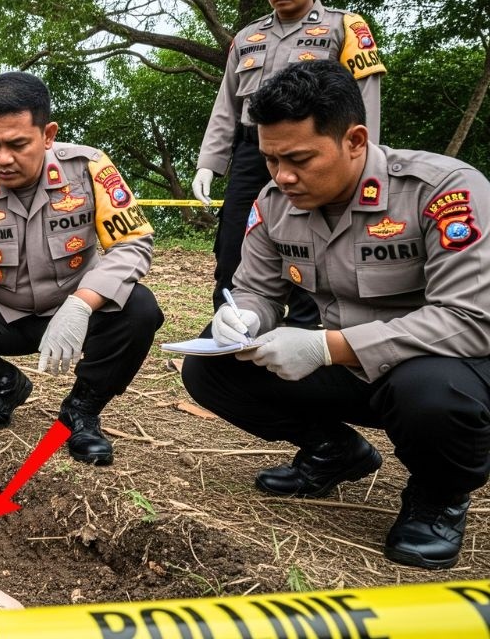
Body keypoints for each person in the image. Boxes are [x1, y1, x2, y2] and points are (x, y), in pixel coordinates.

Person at [182, 61, 490, 570]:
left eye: (300, 159)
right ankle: (334, 450)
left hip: (440, 367)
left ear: (355, 140)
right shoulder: (274, 202)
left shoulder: (441, 190)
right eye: (271, 159)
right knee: (210, 366)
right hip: (349, 367)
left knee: (431, 393)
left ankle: (438, 497)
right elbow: (256, 289)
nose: (283, 176)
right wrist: (246, 319)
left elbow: (470, 319)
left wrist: (324, 347)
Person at [0, 72, 164, 466]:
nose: (2, 159)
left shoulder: (88, 169)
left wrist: (83, 303)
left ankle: (82, 411)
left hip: (74, 308)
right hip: (2, 313)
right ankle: (4, 384)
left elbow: (132, 242)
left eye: (17, 144)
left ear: (48, 135)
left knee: (139, 309)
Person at [191, 0, 385, 327]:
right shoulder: (247, 37)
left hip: (317, 155)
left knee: (313, 243)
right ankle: (232, 330)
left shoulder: (344, 28)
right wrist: (208, 163)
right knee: (232, 245)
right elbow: (226, 105)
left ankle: (306, 331)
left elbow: (365, 100)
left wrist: (364, 162)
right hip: (253, 154)